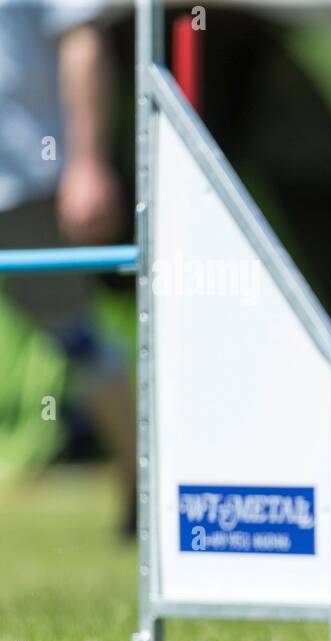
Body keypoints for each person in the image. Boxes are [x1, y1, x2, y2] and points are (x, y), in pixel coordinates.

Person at [0, 1, 134, 530]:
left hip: (25, 182)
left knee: (76, 339)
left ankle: (142, 482)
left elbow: (81, 38)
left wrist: (87, 161)